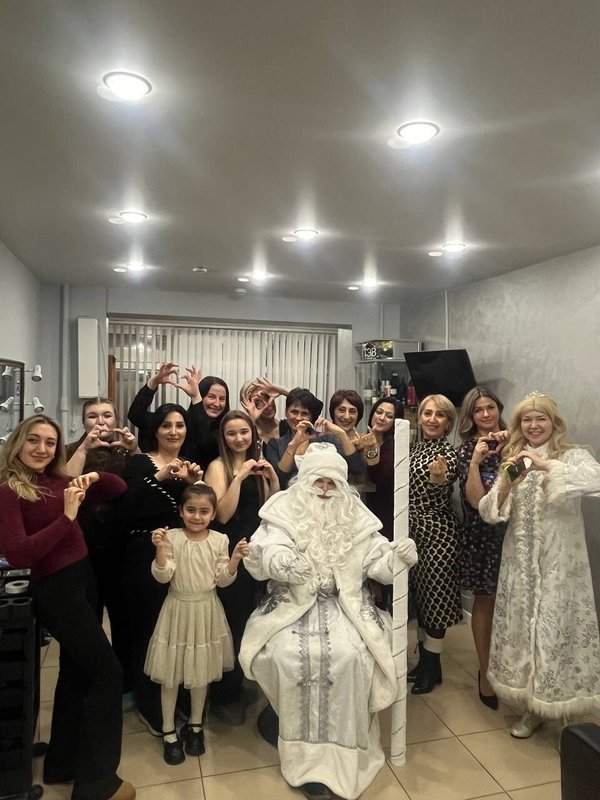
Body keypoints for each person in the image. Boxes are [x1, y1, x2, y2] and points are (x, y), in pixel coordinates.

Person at [239, 443, 417, 800]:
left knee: (351, 656)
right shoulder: (285, 508)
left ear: (342, 484)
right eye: (317, 481)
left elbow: (377, 561)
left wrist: (396, 558)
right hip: (293, 603)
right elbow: (264, 550)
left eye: (332, 482)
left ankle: (341, 756)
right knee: (287, 655)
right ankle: (297, 745)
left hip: (345, 605)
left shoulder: (355, 514)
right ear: (304, 481)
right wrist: (283, 562)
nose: (324, 488)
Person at [0, 415, 135, 800]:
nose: (41, 449)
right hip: (57, 590)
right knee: (107, 673)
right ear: (18, 442)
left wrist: (90, 476)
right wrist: (67, 517)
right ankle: (98, 784)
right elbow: (19, 553)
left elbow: (118, 487)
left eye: (50, 442)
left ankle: (63, 761)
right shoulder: (9, 491)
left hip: (82, 579)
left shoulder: (56, 481)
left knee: (76, 671)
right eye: (34, 440)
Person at [479, 392, 600, 738]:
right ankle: (533, 708)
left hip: (561, 564)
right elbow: (489, 511)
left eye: (541, 418)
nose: (534, 426)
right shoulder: (514, 460)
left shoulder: (573, 456)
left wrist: (547, 466)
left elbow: (596, 480)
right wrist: (507, 483)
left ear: (553, 422)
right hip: (520, 566)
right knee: (525, 633)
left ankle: (566, 714)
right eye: (527, 420)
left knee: (559, 631)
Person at [144, 484, 249, 764]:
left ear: (213, 514)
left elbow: (222, 580)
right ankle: (169, 731)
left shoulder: (219, 540)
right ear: (181, 511)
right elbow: (163, 576)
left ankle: (195, 725)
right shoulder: (172, 537)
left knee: (200, 672)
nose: (197, 516)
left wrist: (235, 560)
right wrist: (160, 550)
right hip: (177, 610)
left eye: (204, 511)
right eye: (190, 510)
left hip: (206, 611)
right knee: (170, 673)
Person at [119, 403, 202, 736]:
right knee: (149, 630)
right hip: (143, 553)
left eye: (180, 425)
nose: (173, 431)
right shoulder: (140, 462)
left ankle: (176, 697)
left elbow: (199, 512)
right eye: (166, 425)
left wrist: (194, 483)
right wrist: (160, 476)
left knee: (177, 629)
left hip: (181, 555)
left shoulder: (189, 464)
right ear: (155, 430)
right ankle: (149, 702)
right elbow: (126, 506)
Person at [204, 410, 279, 724]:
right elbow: (221, 514)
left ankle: (241, 682)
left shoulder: (258, 464)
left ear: (253, 434)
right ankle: (224, 695)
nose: (239, 438)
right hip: (231, 551)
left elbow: (271, 509)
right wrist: (239, 477)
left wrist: (272, 478)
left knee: (252, 619)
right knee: (232, 622)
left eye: (244, 432)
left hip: (256, 549)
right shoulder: (217, 467)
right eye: (232, 433)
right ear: (223, 438)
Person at [65, 397, 139, 698]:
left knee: (123, 616)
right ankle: (88, 681)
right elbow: (63, 483)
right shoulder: (71, 449)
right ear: (83, 422)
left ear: (116, 419)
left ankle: (125, 684)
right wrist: (84, 448)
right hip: (81, 548)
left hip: (122, 546)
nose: (100, 421)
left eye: (107, 415)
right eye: (92, 416)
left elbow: (145, 485)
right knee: (87, 617)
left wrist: (135, 451)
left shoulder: (126, 451)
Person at [456, 387, 508, 709]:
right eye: (478, 410)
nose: (486, 414)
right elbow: (475, 500)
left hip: (516, 532)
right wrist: (477, 460)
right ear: (470, 417)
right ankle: (486, 672)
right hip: (483, 535)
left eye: (491, 407)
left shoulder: (516, 442)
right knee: (486, 601)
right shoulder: (466, 450)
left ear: (499, 409)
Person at [407, 394, 462, 694]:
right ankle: (426, 664)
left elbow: (442, 480)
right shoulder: (414, 448)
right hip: (412, 532)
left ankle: (431, 667)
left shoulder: (448, 454)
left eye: (439, 415)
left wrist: (438, 479)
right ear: (419, 418)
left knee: (436, 601)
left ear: (447, 423)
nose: (432, 419)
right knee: (419, 598)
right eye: (427, 413)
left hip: (437, 532)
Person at [127, 363, 229, 467]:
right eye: (211, 397)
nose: (217, 404)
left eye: (222, 399)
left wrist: (196, 397)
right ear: (201, 395)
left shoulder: (228, 430)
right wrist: (153, 383)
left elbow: (205, 443)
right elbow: (136, 416)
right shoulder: (182, 421)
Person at [265, 387, 364, 489]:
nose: (298, 418)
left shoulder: (326, 439)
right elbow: (277, 480)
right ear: (286, 412)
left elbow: (356, 469)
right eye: (294, 412)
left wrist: (341, 433)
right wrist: (293, 445)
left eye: (304, 413)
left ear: (311, 417)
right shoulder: (275, 444)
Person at [360, 397, 404, 541]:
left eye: (389, 416)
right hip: (360, 509)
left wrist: (372, 448)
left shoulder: (394, 447)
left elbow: (380, 479)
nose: (382, 418)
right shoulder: (361, 438)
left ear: (395, 421)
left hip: (383, 512)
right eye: (379, 412)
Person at [240, 377, 289, 450]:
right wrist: (252, 420)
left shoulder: (288, 427)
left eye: (267, 397)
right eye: (258, 403)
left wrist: (282, 390)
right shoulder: (248, 435)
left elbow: (306, 405)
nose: (267, 405)